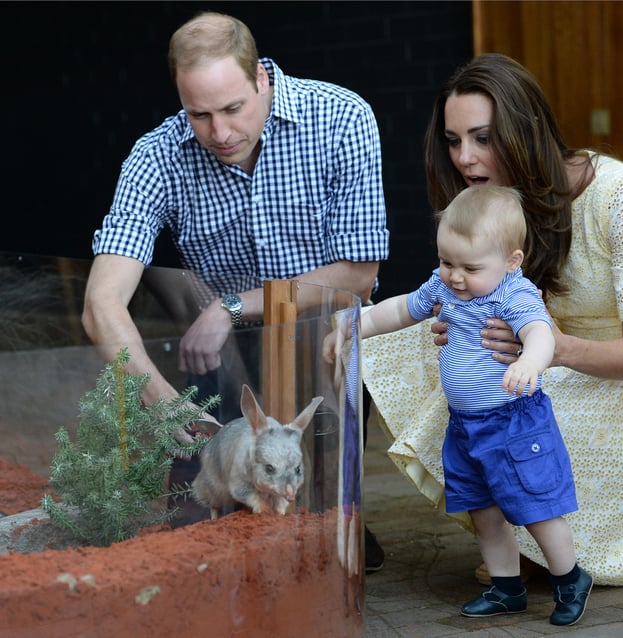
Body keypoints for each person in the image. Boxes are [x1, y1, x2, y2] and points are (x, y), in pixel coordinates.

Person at [360, 52, 623, 586]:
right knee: (413, 346)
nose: (465, 158)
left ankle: (543, 540)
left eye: (483, 137)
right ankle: (517, 533)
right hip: (549, 353)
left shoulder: (620, 196)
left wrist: (549, 351)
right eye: (453, 141)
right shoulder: (490, 205)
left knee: (511, 400)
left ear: (525, 131)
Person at [81, 11, 388, 571]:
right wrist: (161, 401)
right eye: (199, 114)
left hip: (323, 340)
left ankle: (337, 522)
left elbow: (358, 274)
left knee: (323, 539)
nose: (219, 133)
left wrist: (232, 305)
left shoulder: (342, 117)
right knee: (203, 523)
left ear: (262, 79)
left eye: (233, 109)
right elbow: (101, 305)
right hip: (226, 358)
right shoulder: (157, 156)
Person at [326, 185, 591, 624]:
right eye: (447, 262)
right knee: (483, 511)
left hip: (514, 424)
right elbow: (398, 311)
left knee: (536, 508)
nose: (456, 276)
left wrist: (530, 360)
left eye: (470, 267)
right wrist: (354, 324)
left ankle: (570, 578)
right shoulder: (444, 288)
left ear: (511, 261)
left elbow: (540, 333)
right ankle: (506, 587)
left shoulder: (513, 294)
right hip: (466, 426)